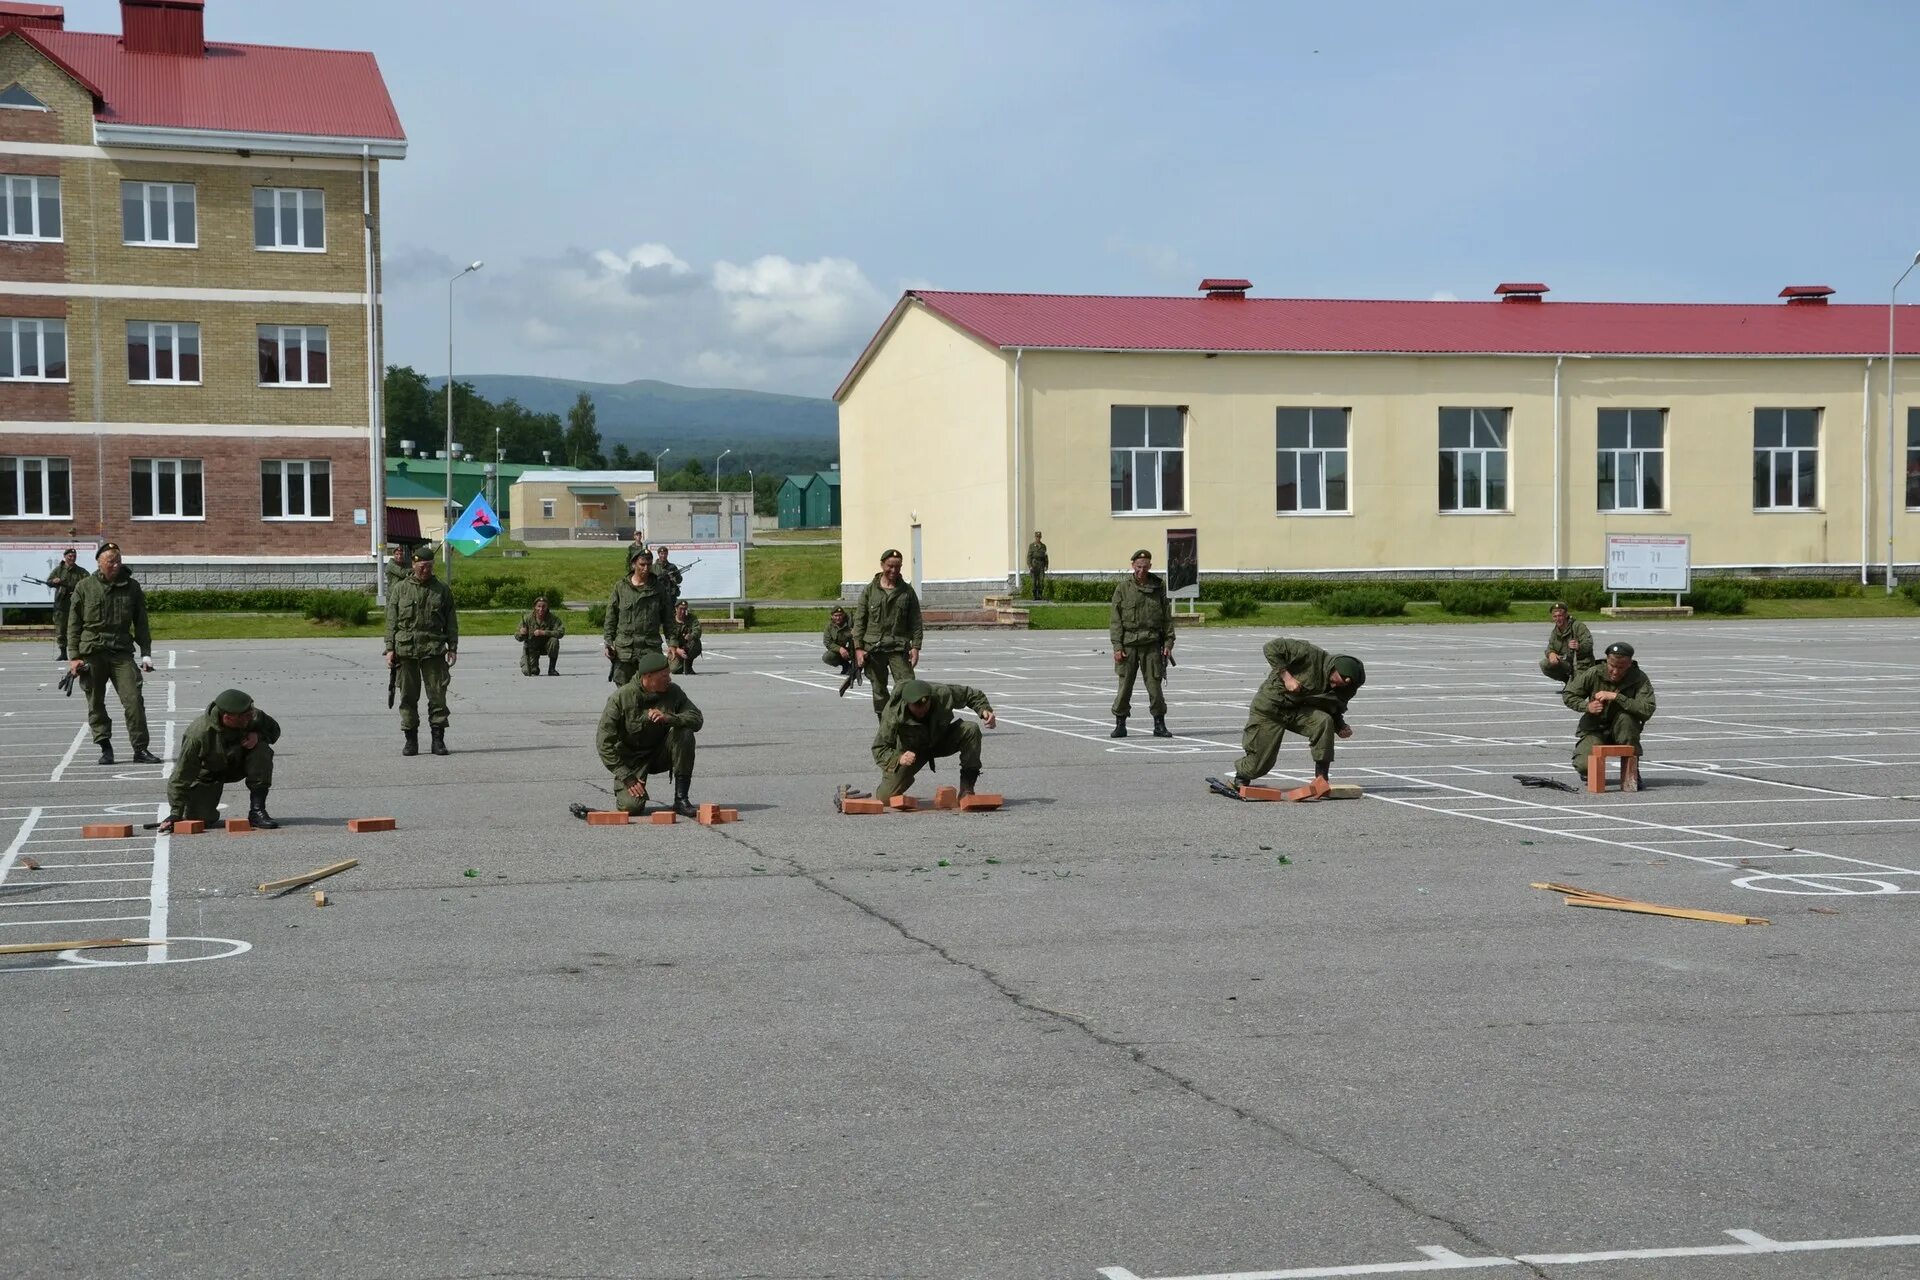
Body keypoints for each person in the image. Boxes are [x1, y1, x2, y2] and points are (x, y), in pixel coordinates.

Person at [1211, 637, 1365, 797]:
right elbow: (1271, 647)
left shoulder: (1344, 687)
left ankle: (1321, 780)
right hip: (1270, 709)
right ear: (1334, 668)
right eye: (1338, 681)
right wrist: (1287, 677)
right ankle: (1241, 778)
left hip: (1297, 711)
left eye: (1344, 685)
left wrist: (1340, 726)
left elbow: (1333, 706)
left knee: (1323, 722)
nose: (1338, 686)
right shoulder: (1309, 655)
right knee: (1260, 765)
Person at [64, 542, 158, 766]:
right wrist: (74, 657)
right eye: (110, 561)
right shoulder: (84, 587)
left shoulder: (132, 587)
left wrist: (146, 653)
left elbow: (141, 622)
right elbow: (73, 624)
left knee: (134, 700)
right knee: (95, 702)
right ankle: (105, 746)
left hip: (121, 651)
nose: (115, 565)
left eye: (118, 561)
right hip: (92, 652)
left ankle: (140, 749)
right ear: (99, 562)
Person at [587, 652, 703, 817]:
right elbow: (603, 743)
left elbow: (697, 718)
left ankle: (681, 799)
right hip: (632, 761)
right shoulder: (621, 698)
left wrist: (669, 718)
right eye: (664, 676)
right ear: (648, 676)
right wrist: (626, 776)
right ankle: (633, 789)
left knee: (684, 733)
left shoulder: (673, 691)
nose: (669, 679)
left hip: (660, 754)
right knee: (631, 808)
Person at [162, 689, 281, 831]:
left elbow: (274, 731)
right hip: (209, 774)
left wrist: (258, 735)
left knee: (262, 750)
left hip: (240, 764)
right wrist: (175, 813)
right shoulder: (198, 734)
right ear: (227, 718)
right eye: (244, 716)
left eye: (250, 714)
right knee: (199, 819)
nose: (249, 718)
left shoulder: (252, 715)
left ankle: (257, 811)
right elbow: (182, 774)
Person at [871, 678, 996, 803]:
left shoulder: (942, 694)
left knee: (971, 729)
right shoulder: (893, 713)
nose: (921, 710)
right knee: (885, 798)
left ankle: (967, 789)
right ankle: (900, 780)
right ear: (906, 703)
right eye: (916, 706)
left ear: (930, 698)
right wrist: (898, 758)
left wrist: (984, 710)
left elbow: (970, 694)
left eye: (925, 705)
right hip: (911, 752)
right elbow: (879, 748)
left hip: (939, 740)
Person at [384, 549, 459, 756]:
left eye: (429, 566)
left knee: (437, 696)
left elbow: (451, 621)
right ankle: (411, 741)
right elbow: (391, 620)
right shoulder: (400, 589)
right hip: (406, 651)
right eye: (421, 566)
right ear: (414, 566)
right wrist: (389, 648)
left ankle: (438, 741)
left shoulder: (442, 590)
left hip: (433, 650)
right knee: (408, 696)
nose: (425, 570)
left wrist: (453, 647)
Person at [1564, 641, 1656, 785]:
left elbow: (1647, 709)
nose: (1615, 671)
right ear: (1607, 661)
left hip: (1624, 731)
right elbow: (1569, 695)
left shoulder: (1639, 677)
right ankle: (1589, 771)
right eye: (1612, 666)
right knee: (1584, 765)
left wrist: (1617, 697)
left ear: (1629, 664)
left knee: (1626, 719)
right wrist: (1587, 706)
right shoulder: (1594, 672)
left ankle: (1632, 772)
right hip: (1595, 729)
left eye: (1621, 667)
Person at [1110, 548, 1175, 738]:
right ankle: (1120, 723)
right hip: (1128, 646)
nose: (1142, 570)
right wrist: (1117, 647)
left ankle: (1159, 724)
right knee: (1124, 688)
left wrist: (1168, 644)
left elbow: (1166, 619)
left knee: (1155, 688)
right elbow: (1115, 621)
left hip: (1151, 645)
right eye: (1138, 567)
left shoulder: (1157, 587)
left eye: (1145, 567)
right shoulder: (1123, 589)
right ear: (1132, 566)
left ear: (1150, 566)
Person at [852, 548, 923, 718]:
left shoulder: (907, 592)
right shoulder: (869, 591)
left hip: (898, 647)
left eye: (898, 567)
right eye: (890, 566)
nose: (893, 571)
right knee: (879, 689)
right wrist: (858, 649)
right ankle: (885, 726)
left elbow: (916, 621)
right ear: (882, 565)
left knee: (909, 687)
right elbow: (859, 621)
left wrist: (916, 647)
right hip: (874, 649)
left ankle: (906, 724)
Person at [603, 545, 671, 684]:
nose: (646, 568)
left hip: (650, 648)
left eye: (648, 564)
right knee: (624, 694)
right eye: (642, 564)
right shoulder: (621, 587)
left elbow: (669, 618)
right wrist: (608, 643)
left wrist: (673, 643)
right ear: (633, 564)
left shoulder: (658, 588)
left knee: (653, 690)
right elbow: (611, 617)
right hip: (625, 651)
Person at [1539, 601, 1595, 683]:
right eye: (1555, 616)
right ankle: (1567, 680)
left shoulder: (1578, 626)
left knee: (1579, 687)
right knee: (1545, 664)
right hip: (1567, 663)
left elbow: (1589, 644)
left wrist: (1578, 646)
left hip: (1581, 664)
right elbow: (1550, 647)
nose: (1557, 619)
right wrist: (1551, 654)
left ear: (1565, 615)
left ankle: (1574, 683)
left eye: (1560, 616)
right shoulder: (1555, 631)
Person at [47, 548, 86, 662]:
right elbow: (49, 581)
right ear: (65, 557)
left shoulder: (80, 571)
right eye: (70, 556)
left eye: (74, 556)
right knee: (61, 630)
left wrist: (78, 591)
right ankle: (63, 653)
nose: (72, 558)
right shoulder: (58, 570)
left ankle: (78, 652)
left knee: (77, 629)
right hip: (61, 605)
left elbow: (88, 583)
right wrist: (54, 581)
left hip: (76, 605)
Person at [515, 595, 565, 676]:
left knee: (554, 641)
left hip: (547, 646)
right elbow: (517, 636)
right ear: (534, 607)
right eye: (538, 606)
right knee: (529, 672)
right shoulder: (527, 619)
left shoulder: (553, 619)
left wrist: (543, 632)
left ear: (547, 607)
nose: (541, 609)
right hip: (532, 648)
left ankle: (552, 669)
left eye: (544, 606)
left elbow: (560, 632)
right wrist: (521, 633)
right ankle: (534, 667)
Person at [823, 605, 858, 694]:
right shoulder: (829, 627)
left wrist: (855, 632)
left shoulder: (851, 623)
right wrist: (840, 649)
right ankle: (845, 665)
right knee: (828, 657)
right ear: (832, 616)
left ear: (843, 615)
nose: (838, 618)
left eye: (840, 615)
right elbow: (827, 642)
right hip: (841, 653)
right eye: (836, 615)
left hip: (854, 649)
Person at [667, 599, 703, 674]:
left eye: (685, 609)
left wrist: (692, 636)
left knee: (696, 642)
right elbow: (670, 639)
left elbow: (698, 629)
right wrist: (678, 650)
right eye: (681, 609)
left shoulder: (691, 618)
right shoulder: (671, 621)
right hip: (676, 649)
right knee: (675, 670)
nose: (683, 611)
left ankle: (688, 664)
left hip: (688, 646)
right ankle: (680, 663)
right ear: (676, 608)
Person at [652, 545, 683, 611]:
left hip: (670, 597)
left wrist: (674, 577)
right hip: (658, 597)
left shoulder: (672, 567)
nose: (663, 555)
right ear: (658, 554)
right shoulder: (653, 568)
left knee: (670, 616)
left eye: (665, 554)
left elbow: (679, 580)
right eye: (662, 554)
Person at [1026, 532, 1049, 601]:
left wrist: (1046, 565)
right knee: (1034, 581)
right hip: (1034, 565)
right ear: (1035, 537)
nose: (1038, 538)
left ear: (1040, 537)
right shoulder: (1032, 546)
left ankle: (1040, 595)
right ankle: (1034, 595)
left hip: (1041, 565)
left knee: (1041, 581)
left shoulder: (1043, 546)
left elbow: (1046, 556)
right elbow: (1029, 557)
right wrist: (1030, 566)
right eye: (1036, 537)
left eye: (1039, 537)